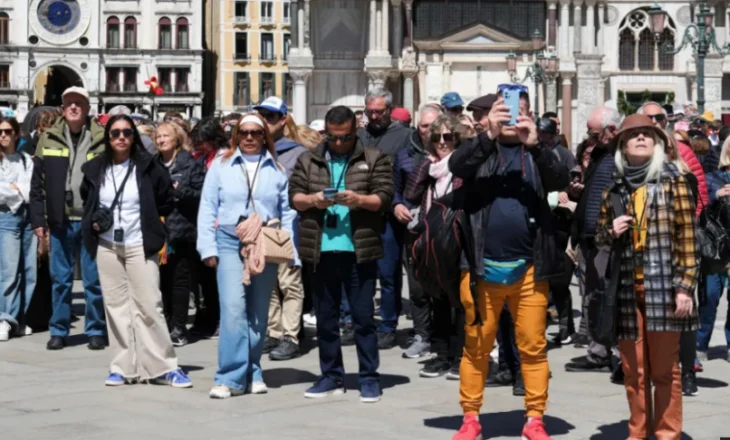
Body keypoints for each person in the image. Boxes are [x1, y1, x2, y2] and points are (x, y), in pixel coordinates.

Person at [449, 92, 569, 440]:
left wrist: (536, 146)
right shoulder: (479, 147)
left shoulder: (536, 151)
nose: (513, 116)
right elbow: (457, 166)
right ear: (491, 114)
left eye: (520, 109)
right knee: (476, 347)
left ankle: (535, 418)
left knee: (532, 346)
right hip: (480, 268)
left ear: (529, 113)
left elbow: (560, 178)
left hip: (531, 268)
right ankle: (470, 417)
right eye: (506, 109)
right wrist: (487, 134)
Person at [595, 114, 698, 440]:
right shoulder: (615, 188)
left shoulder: (673, 181)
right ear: (623, 145)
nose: (641, 138)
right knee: (634, 370)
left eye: (647, 134)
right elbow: (598, 238)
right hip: (626, 289)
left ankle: (667, 434)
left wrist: (685, 287)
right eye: (634, 135)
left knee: (666, 370)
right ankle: (637, 433)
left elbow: (688, 237)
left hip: (665, 288)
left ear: (656, 143)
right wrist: (610, 231)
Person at [290, 105, 393, 403]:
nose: (338, 144)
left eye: (345, 138)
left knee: (363, 318)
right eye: (333, 138)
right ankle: (330, 375)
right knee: (325, 319)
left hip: (359, 250)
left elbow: (384, 198)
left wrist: (359, 199)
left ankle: (369, 378)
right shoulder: (308, 159)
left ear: (354, 131)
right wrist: (313, 200)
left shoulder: (374, 158)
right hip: (320, 250)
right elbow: (294, 197)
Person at [80, 114, 192, 388]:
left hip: (140, 244)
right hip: (107, 245)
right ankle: (122, 367)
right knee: (116, 307)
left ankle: (164, 367)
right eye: (115, 132)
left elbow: (166, 199)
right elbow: (88, 197)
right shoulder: (95, 168)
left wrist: (151, 221)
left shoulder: (148, 166)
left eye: (127, 133)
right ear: (107, 137)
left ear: (134, 137)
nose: (121, 137)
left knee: (150, 304)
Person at [197, 113, 298, 399]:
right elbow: (207, 207)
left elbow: (286, 212)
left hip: (265, 242)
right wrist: (208, 248)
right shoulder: (221, 164)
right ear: (236, 136)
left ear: (264, 136)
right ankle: (228, 376)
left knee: (258, 313)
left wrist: (293, 253)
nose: (250, 137)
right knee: (232, 309)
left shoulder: (276, 168)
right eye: (244, 132)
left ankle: (253, 369)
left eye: (256, 132)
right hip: (229, 240)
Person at [30, 87, 106, 351]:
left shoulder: (101, 138)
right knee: (60, 279)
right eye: (69, 103)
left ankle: (96, 329)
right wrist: (39, 219)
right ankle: (59, 330)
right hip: (59, 220)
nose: (73, 107)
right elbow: (37, 183)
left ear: (87, 109)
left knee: (93, 281)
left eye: (79, 103)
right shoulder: (47, 138)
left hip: (90, 221)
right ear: (62, 109)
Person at [404, 114, 466, 379]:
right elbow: (410, 194)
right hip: (431, 243)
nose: (442, 142)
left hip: (457, 241)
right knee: (437, 299)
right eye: (437, 137)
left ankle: (460, 356)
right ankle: (441, 355)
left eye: (448, 137)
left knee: (459, 302)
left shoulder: (462, 166)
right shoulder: (430, 167)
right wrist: (426, 166)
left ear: (457, 139)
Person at [565, 106, 621, 373]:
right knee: (593, 297)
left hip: (610, 240)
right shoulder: (598, 154)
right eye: (588, 132)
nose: (590, 138)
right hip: (589, 237)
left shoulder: (623, 155)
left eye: (595, 133)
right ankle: (598, 353)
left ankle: (619, 355)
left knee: (611, 297)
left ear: (612, 130)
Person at [253, 97, 307, 361]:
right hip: (258, 226)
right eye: (262, 115)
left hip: (287, 226)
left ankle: (291, 336)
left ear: (283, 119)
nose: (265, 120)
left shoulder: (296, 152)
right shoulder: (254, 149)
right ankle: (273, 332)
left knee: (289, 282)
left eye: (271, 116)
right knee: (268, 283)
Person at [357, 87, 411, 349]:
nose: (375, 116)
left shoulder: (405, 136)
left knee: (389, 273)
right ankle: (361, 322)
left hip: (388, 215)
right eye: (371, 111)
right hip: (361, 215)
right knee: (362, 271)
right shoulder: (359, 136)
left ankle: (388, 325)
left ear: (389, 110)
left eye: (379, 111)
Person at [395, 103, 440, 359]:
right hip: (413, 229)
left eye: (434, 126)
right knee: (417, 286)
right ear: (418, 127)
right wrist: (397, 204)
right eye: (424, 126)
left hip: (443, 230)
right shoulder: (405, 154)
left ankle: (446, 338)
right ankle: (422, 335)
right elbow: (396, 188)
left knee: (444, 287)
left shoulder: (451, 153)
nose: (429, 131)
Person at [155, 122, 205, 347]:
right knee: (160, 281)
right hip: (158, 231)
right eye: (157, 136)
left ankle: (178, 326)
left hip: (182, 231)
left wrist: (178, 191)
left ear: (176, 139)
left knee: (179, 280)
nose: (160, 139)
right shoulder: (153, 163)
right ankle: (163, 323)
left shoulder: (189, 163)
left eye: (165, 136)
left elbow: (201, 192)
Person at [188, 116, 228, 336]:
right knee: (203, 278)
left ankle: (221, 319)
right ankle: (208, 316)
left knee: (218, 277)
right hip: (202, 223)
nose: (199, 145)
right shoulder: (200, 159)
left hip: (220, 223)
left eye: (203, 141)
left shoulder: (225, 158)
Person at [0, 116, 36, 341]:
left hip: (28, 217)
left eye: (7, 131)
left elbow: (31, 187)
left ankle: (19, 318)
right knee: (9, 271)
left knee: (29, 271)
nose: (3, 135)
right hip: (6, 216)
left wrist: (15, 189)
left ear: (16, 134)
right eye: (0, 131)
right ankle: (5, 318)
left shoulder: (25, 159)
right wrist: (16, 190)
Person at [700, 135, 730, 364]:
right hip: (716, 250)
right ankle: (700, 346)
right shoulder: (712, 178)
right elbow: (699, 206)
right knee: (709, 298)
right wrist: (715, 195)